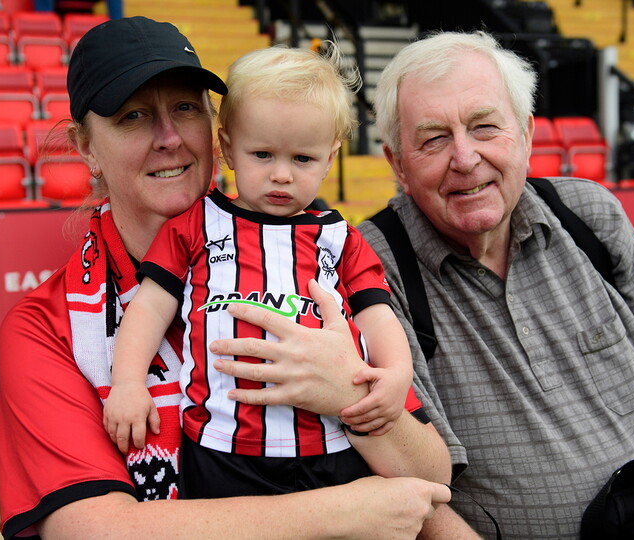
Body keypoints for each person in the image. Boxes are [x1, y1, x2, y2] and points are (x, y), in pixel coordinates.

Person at [0, 16, 450, 539]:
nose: (168, 138)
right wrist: (344, 511)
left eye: (185, 108)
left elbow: (429, 480)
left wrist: (345, 391)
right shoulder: (46, 326)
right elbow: (90, 531)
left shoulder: (313, 255)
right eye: (133, 116)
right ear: (86, 146)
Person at [359, 30, 634, 537]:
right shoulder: (370, 266)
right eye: (434, 138)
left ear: (526, 135)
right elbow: (417, 494)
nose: (464, 158)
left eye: (485, 127)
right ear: (397, 163)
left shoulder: (590, 217)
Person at [101, 44, 419, 498]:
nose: (282, 175)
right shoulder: (196, 225)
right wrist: (129, 383)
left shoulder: (339, 237)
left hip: (329, 446)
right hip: (221, 447)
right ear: (228, 148)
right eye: (263, 155)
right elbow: (149, 307)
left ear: (330, 159)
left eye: (302, 159)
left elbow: (376, 314)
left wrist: (397, 373)